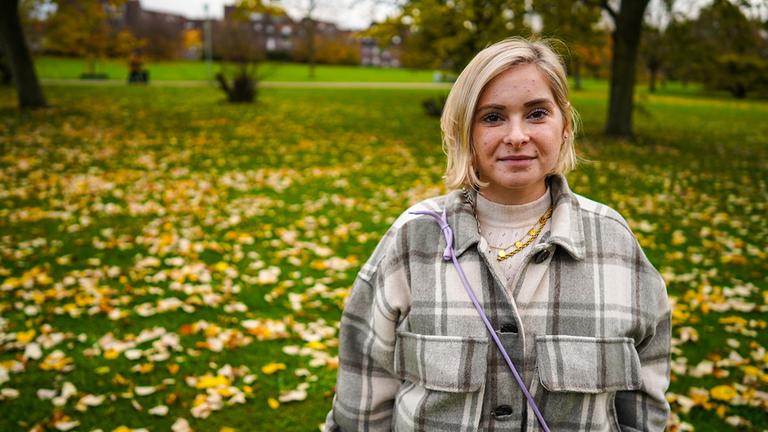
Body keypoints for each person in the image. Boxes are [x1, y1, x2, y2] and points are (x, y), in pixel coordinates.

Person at [325, 37, 670, 431]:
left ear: (565, 126)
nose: (517, 135)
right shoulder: (412, 240)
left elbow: (644, 407)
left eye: (537, 113)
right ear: (464, 132)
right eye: (493, 117)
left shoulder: (615, 245)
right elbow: (362, 397)